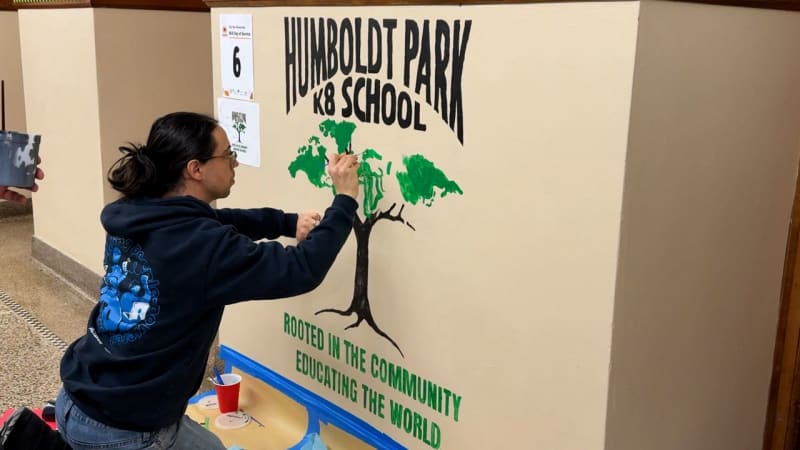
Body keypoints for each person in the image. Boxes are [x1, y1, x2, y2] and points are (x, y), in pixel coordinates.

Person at [54, 112, 361, 449]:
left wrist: (287, 223)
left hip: (83, 396)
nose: (235, 163)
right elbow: (301, 269)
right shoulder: (199, 243)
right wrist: (344, 200)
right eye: (228, 155)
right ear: (195, 168)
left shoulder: (140, 212)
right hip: (126, 430)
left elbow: (215, 221)